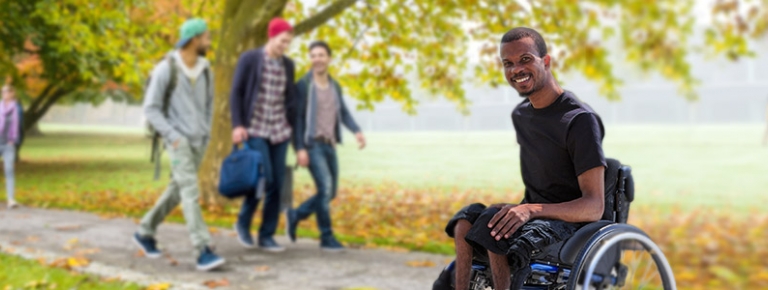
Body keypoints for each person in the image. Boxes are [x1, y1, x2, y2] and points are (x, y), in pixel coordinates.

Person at [439, 27, 606, 290]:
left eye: (525, 59)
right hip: (533, 213)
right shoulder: (522, 116)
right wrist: (518, 207)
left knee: (493, 231)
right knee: (465, 221)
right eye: (508, 64)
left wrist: (529, 210)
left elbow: (594, 206)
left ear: (546, 61)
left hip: (570, 223)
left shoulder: (579, 120)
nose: (516, 69)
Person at [132, 18, 225, 271]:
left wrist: (205, 134)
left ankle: (145, 231)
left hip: (199, 141)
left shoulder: (206, 69)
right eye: (206, 37)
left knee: (178, 189)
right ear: (194, 39)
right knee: (190, 192)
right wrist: (173, 136)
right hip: (178, 141)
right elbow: (151, 109)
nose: (209, 41)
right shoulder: (166, 68)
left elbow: (209, 107)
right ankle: (202, 249)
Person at [285, 41, 366, 252]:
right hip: (312, 145)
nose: (317, 59)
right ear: (310, 59)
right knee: (325, 187)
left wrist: (356, 131)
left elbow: (344, 113)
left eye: (321, 55)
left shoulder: (334, 86)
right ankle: (326, 236)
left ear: (329, 58)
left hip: (330, 145)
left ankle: (296, 215)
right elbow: (298, 119)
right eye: (313, 55)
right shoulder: (303, 85)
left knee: (330, 192)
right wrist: (300, 148)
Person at [229, 18, 298, 252]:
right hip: (255, 128)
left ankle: (267, 235)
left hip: (279, 130)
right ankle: (242, 222)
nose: (284, 46)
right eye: (282, 41)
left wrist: (291, 124)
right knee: (263, 178)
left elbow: (290, 98)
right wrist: (237, 124)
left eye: (288, 43)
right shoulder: (250, 59)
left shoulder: (288, 65)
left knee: (278, 183)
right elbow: (236, 92)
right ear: (271, 36)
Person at [0, 83, 22, 209]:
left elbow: (20, 126)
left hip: (9, 143)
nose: (4, 94)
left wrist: (15, 140)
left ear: (12, 93)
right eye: (3, 91)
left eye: (7, 91)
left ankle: (11, 199)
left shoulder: (17, 108)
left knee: (9, 170)